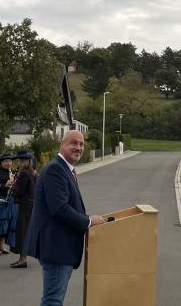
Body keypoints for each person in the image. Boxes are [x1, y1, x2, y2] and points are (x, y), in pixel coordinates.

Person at [25, 130, 106, 306]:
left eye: (81, 144)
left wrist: (88, 218)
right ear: (62, 144)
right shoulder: (55, 169)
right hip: (57, 248)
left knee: (53, 299)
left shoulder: (65, 168)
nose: (78, 148)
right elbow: (59, 209)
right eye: (73, 143)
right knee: (52, 300)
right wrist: (88, 221)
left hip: (60, 248)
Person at [10, 151, 38, 268]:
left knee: (22, 232)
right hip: (31, 204)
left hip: (24, 204)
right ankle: (22, 258)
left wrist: (12, 185)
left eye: (22, 160)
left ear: (27, 161)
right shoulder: (34, 172)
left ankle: (23, 259)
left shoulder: (24, 173)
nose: (20, 163)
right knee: (26, 231)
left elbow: (19, 190)